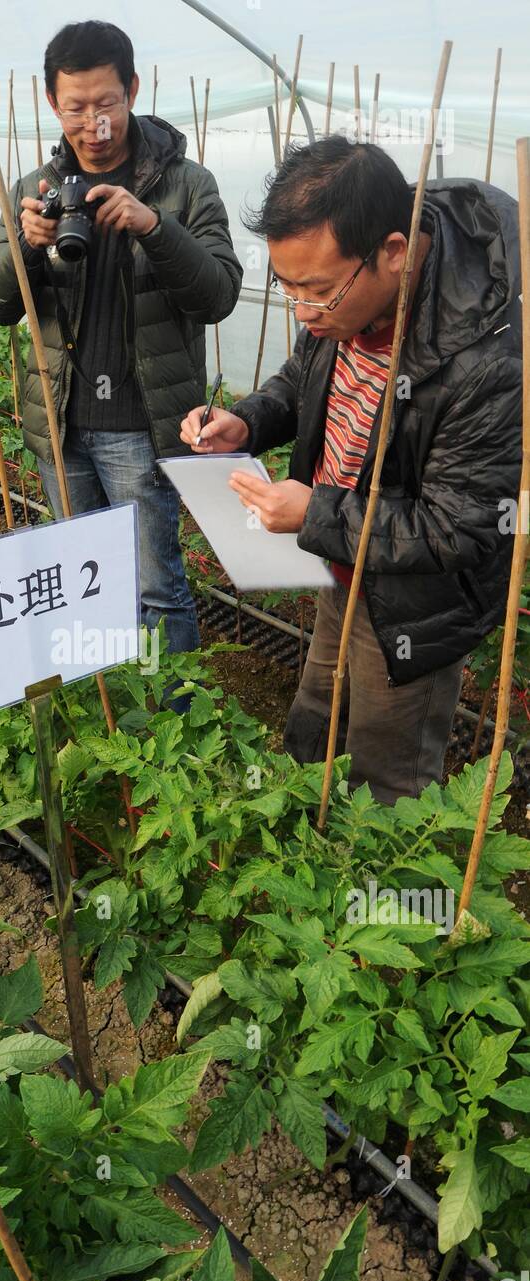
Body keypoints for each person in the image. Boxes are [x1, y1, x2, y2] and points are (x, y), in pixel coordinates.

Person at [180, 136, 522, 804]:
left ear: (393, 254)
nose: (303, 313)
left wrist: (312, 513)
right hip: (341, 556)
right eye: (287, 289)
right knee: (316, 719)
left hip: (414, 600)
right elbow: (302, 376)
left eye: (315, 292)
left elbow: (461, 529)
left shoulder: (487, 360)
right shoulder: (342, 300)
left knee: (387, 774)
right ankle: (308, 854)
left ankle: (384, 898)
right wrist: (248, 420)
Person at [0, 19, 243, 657]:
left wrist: (155, 226)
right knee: (81, 583)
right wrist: (27, 248)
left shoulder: (187, 184)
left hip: (140, 425)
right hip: (60, 425)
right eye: (76, 107)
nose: (92, 122)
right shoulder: (33, 192)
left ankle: (171, 742)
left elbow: (219, 295)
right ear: (52, 104)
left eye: (106, 103)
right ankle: (111, 714)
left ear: (132, 88)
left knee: (156, 588)